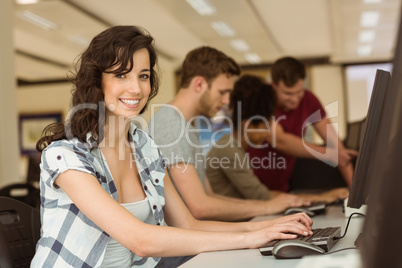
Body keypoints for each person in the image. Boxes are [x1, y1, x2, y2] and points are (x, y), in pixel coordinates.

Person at [31, 26, 313, 268]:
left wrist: (268, 228)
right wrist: (250, 239)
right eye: (121, 75)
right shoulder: (66, 156)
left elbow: (188, 224)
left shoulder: (144, 148)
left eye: (143, 76)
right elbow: (141, 240)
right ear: (97, 81)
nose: (137, 88)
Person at [147, 46, 313, 223]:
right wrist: (266, 207)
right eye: (222, 92)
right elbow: (200, 207)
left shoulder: (186, 126)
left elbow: (209, 196)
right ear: (199, 84)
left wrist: (269, 208)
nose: (227, 101)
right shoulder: (171, 125)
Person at [206, 74, 349, 203]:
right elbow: (262, 197)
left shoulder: (234, 148)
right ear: (247, 125)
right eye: (266, 126)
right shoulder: (229, 150)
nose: (268, 133)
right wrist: (322, 198)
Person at [247, 57, 358, 192]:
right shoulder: (264, 99)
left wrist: (354, 190)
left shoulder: (309, 99)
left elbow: (336, 146)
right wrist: (331, 154)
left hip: (282, 187)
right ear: (274, 85)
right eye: (288, 93)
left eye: (299, 91)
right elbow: (280, 140)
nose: (294, 99)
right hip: (252, 186)